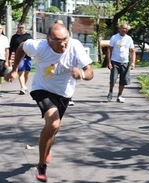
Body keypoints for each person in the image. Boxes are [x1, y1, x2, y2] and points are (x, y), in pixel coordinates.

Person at [5, 23, 94, 182]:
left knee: (54, 128)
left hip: (64, 93)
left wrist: (81, 73)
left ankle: (46, 148)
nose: (63, 44)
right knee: (53, 123)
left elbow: (90, 72)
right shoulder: (38, 46)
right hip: (42, 89)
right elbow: (20, 47)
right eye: (58, 40)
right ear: (48, 40)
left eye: (65, 39)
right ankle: (41, 164)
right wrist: (14, 69)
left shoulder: (75, 46)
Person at [106, 23, 136, 103]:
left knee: (123, 80)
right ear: (120, 29)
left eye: (125, 29)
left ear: (127, 30)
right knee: (113, 79)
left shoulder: (129, 39)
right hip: (115, 61)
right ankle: (111, 92)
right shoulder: (114, 37)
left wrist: (133, 62)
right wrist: (109, 62)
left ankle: (119, 95)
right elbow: (109, 49)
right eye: (123, 28)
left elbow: (132, 51)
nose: (124, 30)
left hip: (125, 63)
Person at [54, 19, 75, 106]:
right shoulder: (52, 36)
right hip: (53, 62)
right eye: (57, 24)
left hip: (66, 61)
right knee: (53, 78)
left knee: (68, 79)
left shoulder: (67, 36)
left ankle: (69, 98)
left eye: (61, 25)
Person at [9, 22, 33, 95]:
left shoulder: (28, 36)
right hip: (19, 57)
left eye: (22, 27)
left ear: (25, 28)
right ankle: (22, 87)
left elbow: (32, 46)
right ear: (17, 28)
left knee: (27, 73)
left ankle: (24, 86)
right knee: (21, 72)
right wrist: (9, 58)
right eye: (20, 28)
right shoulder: (14, 37)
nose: (21, 29)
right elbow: (11, 48)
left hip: (28, 57)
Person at [0, 25, 10, 98]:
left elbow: (7, 50)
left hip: (1, 59)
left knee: (0, 76)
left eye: (0, 28)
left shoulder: (4, 38)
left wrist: (6, 61)